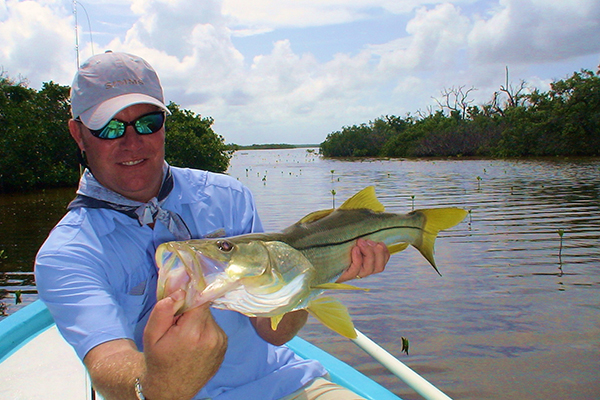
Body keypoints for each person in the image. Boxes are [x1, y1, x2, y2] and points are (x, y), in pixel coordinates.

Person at [35, 51, 390, 400]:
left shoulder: (228, 196)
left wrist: (313, 278)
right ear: (79, 135)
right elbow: (108, 362)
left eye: (148, 122)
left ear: (164, 124)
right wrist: (157, 384)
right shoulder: (67, 254)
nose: (132, 141)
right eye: (109, 128)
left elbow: (274, 332)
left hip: (280, 386)